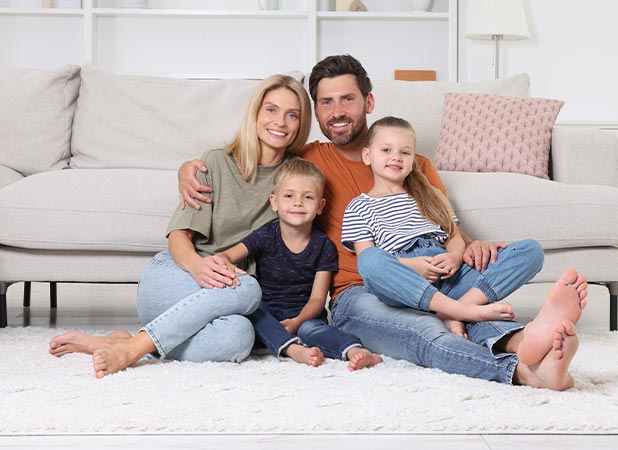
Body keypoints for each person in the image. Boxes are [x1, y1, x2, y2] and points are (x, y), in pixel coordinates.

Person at [178, 55, 588, 390]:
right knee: (427, 334)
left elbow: (443, 226)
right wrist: (192, 167)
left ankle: (525, 345)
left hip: (439, 278)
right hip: (360, 292)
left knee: (471, 301)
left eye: (347, 100)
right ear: (316, 111)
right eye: (326, 102)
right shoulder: (307, 161)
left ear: (369, 103)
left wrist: (465, 246)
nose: (337, 112)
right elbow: (258, 153)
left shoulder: (415, 163)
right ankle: (521, 371)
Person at [49, 74, 313, 378]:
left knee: (238, 338)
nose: (280, 121)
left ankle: (129, 341)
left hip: (231, 297)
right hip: (177, 278)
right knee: (249, 290)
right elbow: (179, 237)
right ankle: (133, 351)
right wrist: (198, 267)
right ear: (254, 113)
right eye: (271, 110)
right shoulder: (215, 162)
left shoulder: (296, 179)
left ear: (300, 124)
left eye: (292, 115)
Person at [341, 116, 518, 336]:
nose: (396, 157)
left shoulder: (429, 195)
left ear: (412, 159)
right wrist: (412, 265)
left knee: (528, 251)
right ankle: (461, 310)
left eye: (404, 153)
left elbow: (453, 236)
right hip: (407, 280)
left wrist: (454, 256)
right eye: (386, 150)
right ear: (367, 156)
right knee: (369, 261)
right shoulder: (359, 206)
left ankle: (452, 312)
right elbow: (366, 256)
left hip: (449, 274)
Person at [224, 158, 382, 370]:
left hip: (306, 313)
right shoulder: (265, 235)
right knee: (253, 312)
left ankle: (355, 350)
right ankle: (292, 349)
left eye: (308, 197)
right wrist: (234, 272)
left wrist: (297, 321)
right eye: (289, 196)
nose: (298, 202)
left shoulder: (323, 245)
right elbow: (225, 257)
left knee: (316, 331)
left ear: (320, 206)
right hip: (268, 312)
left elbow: (318, 299)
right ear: (274, 202)